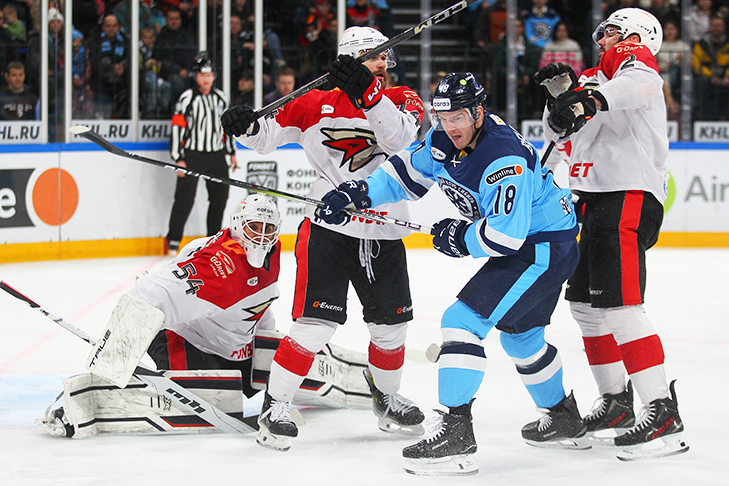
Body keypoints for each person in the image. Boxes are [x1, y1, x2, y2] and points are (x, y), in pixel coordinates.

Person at [318, 72, 584, 475]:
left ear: (478, 112)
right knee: (522, 337)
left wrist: (460, 237)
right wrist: (359, 193)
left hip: (541, 246)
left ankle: (456, 432)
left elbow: (505, 236)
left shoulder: (502, 158)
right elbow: (405, 174)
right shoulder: (444, 138)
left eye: (458, 117)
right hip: (544, 242)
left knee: (461, 322)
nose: (449, 126)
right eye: (442, 118)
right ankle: (563, 416)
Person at [220, 26, 426, 452]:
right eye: (375, 56)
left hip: (385, 232)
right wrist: (244, 126)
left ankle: (387, 399)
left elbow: (402, 140)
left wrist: (369, 94)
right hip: (328, 229)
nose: (383, 63)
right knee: (315, 326)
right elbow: (265, 137)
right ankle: (276, 405)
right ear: (352, 59)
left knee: (391, 328)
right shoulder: (313, 102)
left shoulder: (401, 98)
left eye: (385, 56)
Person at [536, 7, 689, 460]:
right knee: (586, 306)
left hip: (626, 195)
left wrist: (588, 99)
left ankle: (662, 413)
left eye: (611, 31)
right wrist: (562, 103)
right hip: (591, 199)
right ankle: (617, 402)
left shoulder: (634, 65)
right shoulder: (594, 81)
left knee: (621, 306)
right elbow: (560, 137)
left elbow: (641, 85)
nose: (601, 38)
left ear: (635, 36)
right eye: (602, 32)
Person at [36, 194, 283, 437]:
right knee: (214, 395)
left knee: (255, 378)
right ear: (238, 225)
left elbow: (258, 303)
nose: (262, 236)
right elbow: (149, 294)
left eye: (268, 228)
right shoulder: (219, 265)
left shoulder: (272, 256)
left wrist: (272, 349)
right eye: (254, 227)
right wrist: (111, 364)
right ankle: (85, 403)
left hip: (231, 346)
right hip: (185, 339)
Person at [166, 52, 238, 254]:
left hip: (216, 155)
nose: (206, 79)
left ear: (214, 76)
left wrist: (231, 152)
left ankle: (212, 239)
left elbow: (227, 128)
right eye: (202, 75)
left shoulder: (221, 98)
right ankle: (173, 239)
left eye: (209, 75)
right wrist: (178, 158)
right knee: (185, 198)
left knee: (219, 198)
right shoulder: (187, 98)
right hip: (192, 155)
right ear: (195, 76)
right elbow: (177, 127)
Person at [88, 14, 131, 119]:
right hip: (100, 78)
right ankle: (100, 114)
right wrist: (110, 68)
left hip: (120, 79)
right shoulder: (95, 40)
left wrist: (123, 69)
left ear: (118, 27)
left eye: (114, 26)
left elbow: (129, 60)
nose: (111, 29)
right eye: (108, 26)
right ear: (103, 27)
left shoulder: (125, 41)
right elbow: (94, 62)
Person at [692, 14, 729, 121]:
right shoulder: (701, 43)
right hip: (707, 77)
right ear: (709, 26)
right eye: (714, 25)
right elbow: (697, 64)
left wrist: (727, 77)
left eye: (719, 25)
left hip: (725, 76)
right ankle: (704, 118)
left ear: (724, 27)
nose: (717, 28)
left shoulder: (727, 43)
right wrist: (711, 76)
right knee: (702, 83)